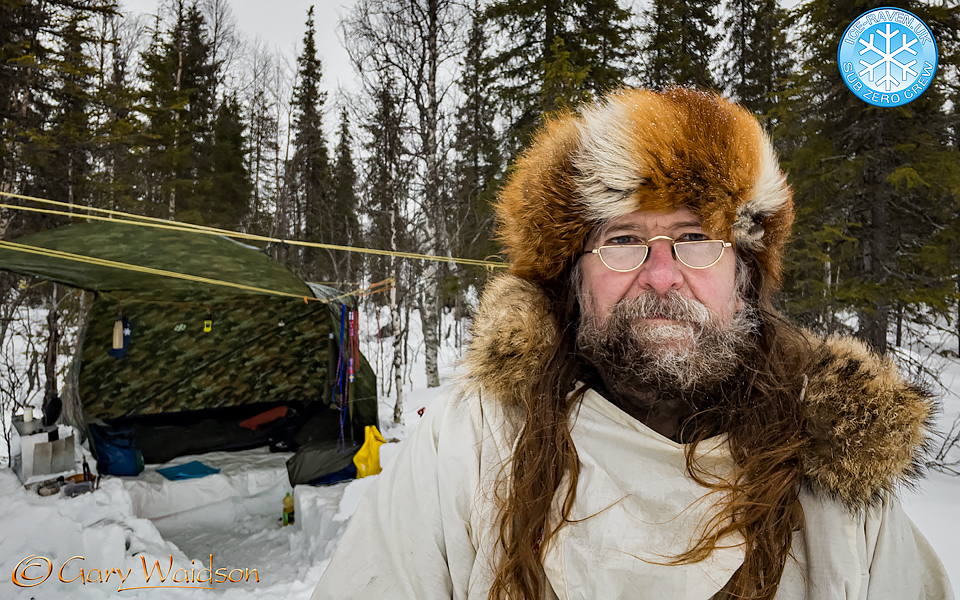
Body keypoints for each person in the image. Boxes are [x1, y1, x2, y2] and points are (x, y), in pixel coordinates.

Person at [312, 87, 953, 600]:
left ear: (746, 271)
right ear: (573, 275)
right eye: (622, 239)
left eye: (697, 236)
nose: (662, 274)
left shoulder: (832, 476)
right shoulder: (471, 444)